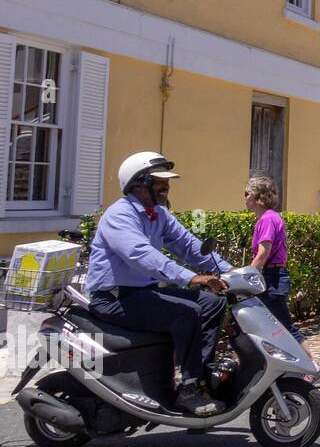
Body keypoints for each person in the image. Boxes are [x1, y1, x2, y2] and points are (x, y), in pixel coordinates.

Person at [85, 152, 232, 416]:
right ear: (138, 184)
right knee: (186, 314)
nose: (167, 186)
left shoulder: (158, 214)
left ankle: (201, 379)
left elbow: (189, 245)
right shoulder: (120, 215)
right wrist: (190, 277)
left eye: (167, 181)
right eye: (159, 181)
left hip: (143, 293)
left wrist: (231, 271)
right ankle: (188, 392)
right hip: (115, 298)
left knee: (212, 304)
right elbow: (142, 255)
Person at [245, 175, 320, 376]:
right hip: (272, 276)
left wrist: (248, 278)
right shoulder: (267, 218)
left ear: (257, 196)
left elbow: (263, 252)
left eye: (247, 193)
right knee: (270, 326)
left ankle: (312, 367)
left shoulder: (268, 219)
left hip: (273, 277)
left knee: (284, 326)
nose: (244, 197)